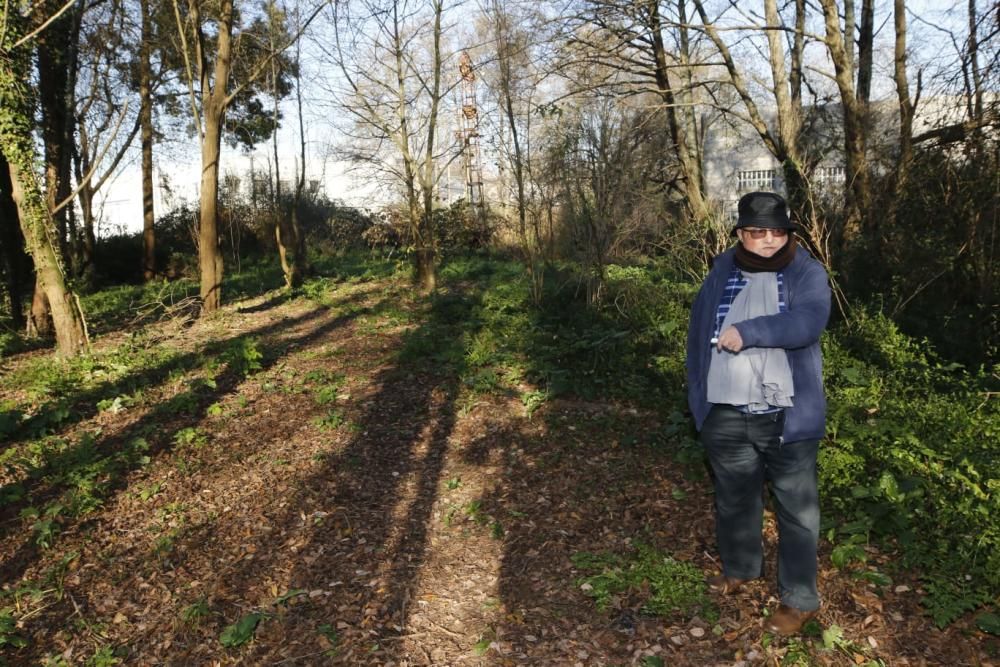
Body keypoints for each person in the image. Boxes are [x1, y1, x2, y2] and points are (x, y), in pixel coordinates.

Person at [685, 191, 831, 635]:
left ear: (788, 232)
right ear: (740, 234)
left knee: (796, 509)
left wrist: (749, 331)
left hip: (787, 413)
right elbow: (698, 331)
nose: (768, 241)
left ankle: (800, 599)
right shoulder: (722, 270)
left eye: (777, 231)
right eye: (756, 232)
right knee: (734, 498)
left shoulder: (806, 272)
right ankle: (741, 568)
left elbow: (807, 323)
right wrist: (699, 399)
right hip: (726, 409)